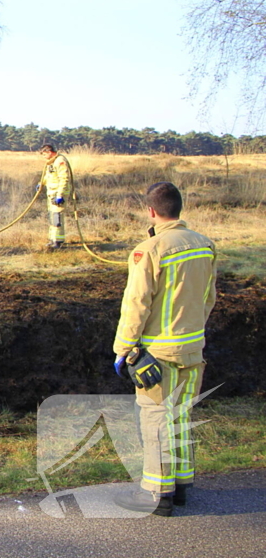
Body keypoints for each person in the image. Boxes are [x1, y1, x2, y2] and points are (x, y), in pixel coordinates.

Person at [112, 182, 217, 517]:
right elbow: (209, 299)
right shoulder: (205, 245)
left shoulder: (150, 249)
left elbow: (136, 304)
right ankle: (182, 485)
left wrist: (124, 347)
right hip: (193, 347)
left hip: (159, 353)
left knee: (156, 420)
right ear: (179, 208)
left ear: (151, 211)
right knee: (182, 417)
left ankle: (157, 495)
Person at [38, 143, 72, 249]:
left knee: (57, 218)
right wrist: (41, 183)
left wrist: (60, 195)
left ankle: (58, 241)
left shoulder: (60, 161)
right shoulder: (51, 162)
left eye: (44, 154)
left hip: (58, 194)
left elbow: (64, 179)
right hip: (51, 193)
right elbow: (49, 176)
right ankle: (52, 239)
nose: (43, 157)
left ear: (49, 152)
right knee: (52, 217)